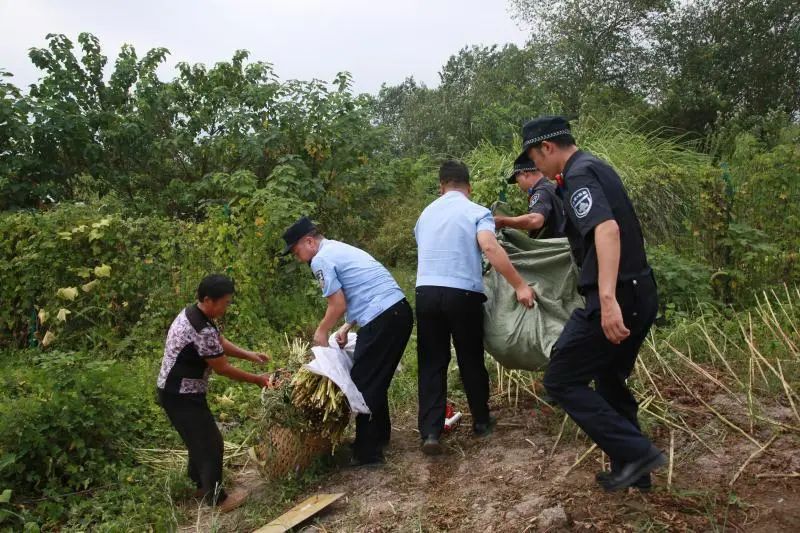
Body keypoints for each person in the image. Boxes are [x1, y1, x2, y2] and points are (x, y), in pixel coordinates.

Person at [521, 115, 665, 491]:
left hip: (616, 296)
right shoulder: (596, 165)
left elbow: (606, 229)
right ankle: (634, 470)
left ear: (547, 148)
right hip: (638, 290)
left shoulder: (580, 175)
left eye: (534, 158)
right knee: (610, 380)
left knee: (562, 378)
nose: (535, 167)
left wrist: (606, 299)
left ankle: (636, 453)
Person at [415, 160, 536, 455]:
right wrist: (519, 285)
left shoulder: (425, 214)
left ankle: (430, 432)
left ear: (441, 187)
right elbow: (490, 247)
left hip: (425, 292)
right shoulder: (476, 211)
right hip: (462, 294)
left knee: (432, 362)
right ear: (468, 188)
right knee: (470, 357)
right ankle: (481, 421)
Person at [282, 216, 413, 467]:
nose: (299, 258)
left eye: (297, 251)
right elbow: (362, 289)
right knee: (373, 377)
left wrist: (322, 332)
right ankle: (377, 437)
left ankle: (368, 453)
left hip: (384, 318)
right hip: (396, 312)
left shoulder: (320, 259)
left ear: (309, 241)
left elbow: (337, 302)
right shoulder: (338, 248)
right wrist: (346, 325)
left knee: (364, 380)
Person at [156, 274, 273, 511]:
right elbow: (222, 368)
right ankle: (217, 499)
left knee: (197, 440)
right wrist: (257, 380)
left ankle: (199, 485)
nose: (227, 307)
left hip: (176, 390)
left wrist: (249, 354)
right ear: (209, 299)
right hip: (180, 395)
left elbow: (218, 341)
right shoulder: (200, 327)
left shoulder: (196, 314)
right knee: (211, 444)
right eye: (226, 302)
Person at [494, 153, 567, 239]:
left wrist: (502, 221)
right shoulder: (552, 187)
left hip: (551, 248)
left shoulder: (541, 191)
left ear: (524, 173)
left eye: (518, 181)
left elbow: (535, 220)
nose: (519, 185)